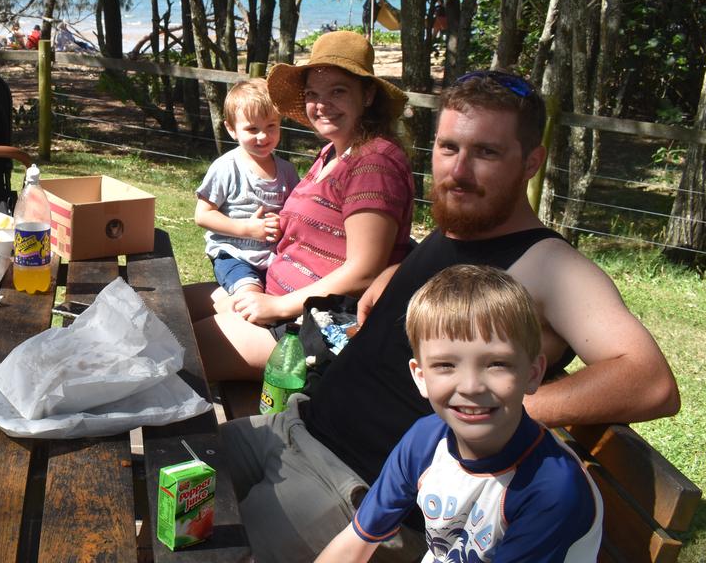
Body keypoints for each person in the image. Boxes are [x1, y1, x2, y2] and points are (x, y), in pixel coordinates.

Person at [219, 71, 680, 562]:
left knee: (190, 547)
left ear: (531, 162)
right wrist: (394, 274)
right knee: (172, 462)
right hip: (296, 426)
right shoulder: (458, 230)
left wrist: (502, 405)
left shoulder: (549, 265)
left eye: (485, 153)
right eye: (447, 148)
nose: (457, 171)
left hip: (355, 491)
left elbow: (650, 382)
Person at [316, 264, 602, 562]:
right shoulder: (424, 441)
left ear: (533, 374)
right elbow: (355, 542)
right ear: (421, 377)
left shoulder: (550, 490)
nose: (470, 386)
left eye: (497, 364)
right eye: (445, 365)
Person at [189, 30, 415, 381]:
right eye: (312, 94)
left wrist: (278, 306)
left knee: (175, 347)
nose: (321, 104)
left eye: (337, 91)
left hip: (311, 325)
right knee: (166, 307)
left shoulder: (374, 163)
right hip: (275, 295)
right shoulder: (332, 152)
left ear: (368, 94)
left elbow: (364, 271)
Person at [194, 79, 300, 296]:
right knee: (249, 297)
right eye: (252, 129)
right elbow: (203, 216)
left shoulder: (287, 171)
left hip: (272, 257)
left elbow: (296, 213)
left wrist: (282, 223)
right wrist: (248, 229)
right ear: (231, 129)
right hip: (233, 254)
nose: (263, 136)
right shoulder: (226, 167)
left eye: (271, 126)